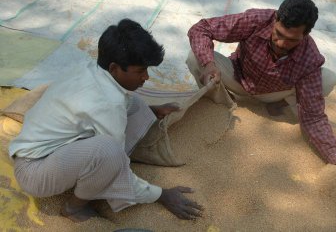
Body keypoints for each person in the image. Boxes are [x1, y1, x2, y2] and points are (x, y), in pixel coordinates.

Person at [9, 19, 203, 222]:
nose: (146, 77)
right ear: (114, 68)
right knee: (109, 151)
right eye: (140, 71)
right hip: (34, 171)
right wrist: (162, 195)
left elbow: (122, 104)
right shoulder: (107, 104)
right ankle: (73, 208)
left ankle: (95, 174)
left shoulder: (91, 69)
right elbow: (114, 156)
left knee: (136, 104)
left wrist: (151, 110)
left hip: (51, 153)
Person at [186, 0, 336, 173]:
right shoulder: (256, 20)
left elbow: (313, 117)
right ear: (275, 19)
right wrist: (209, 64)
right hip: (238, 76)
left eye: (292, 40)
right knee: (195, 56)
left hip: (273, 92)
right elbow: (201, 28)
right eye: (279, 34)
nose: (281, 44)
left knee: (327, 79)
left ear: (305, 35)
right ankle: (221, 102)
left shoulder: (310, 57)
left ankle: (279, 106)